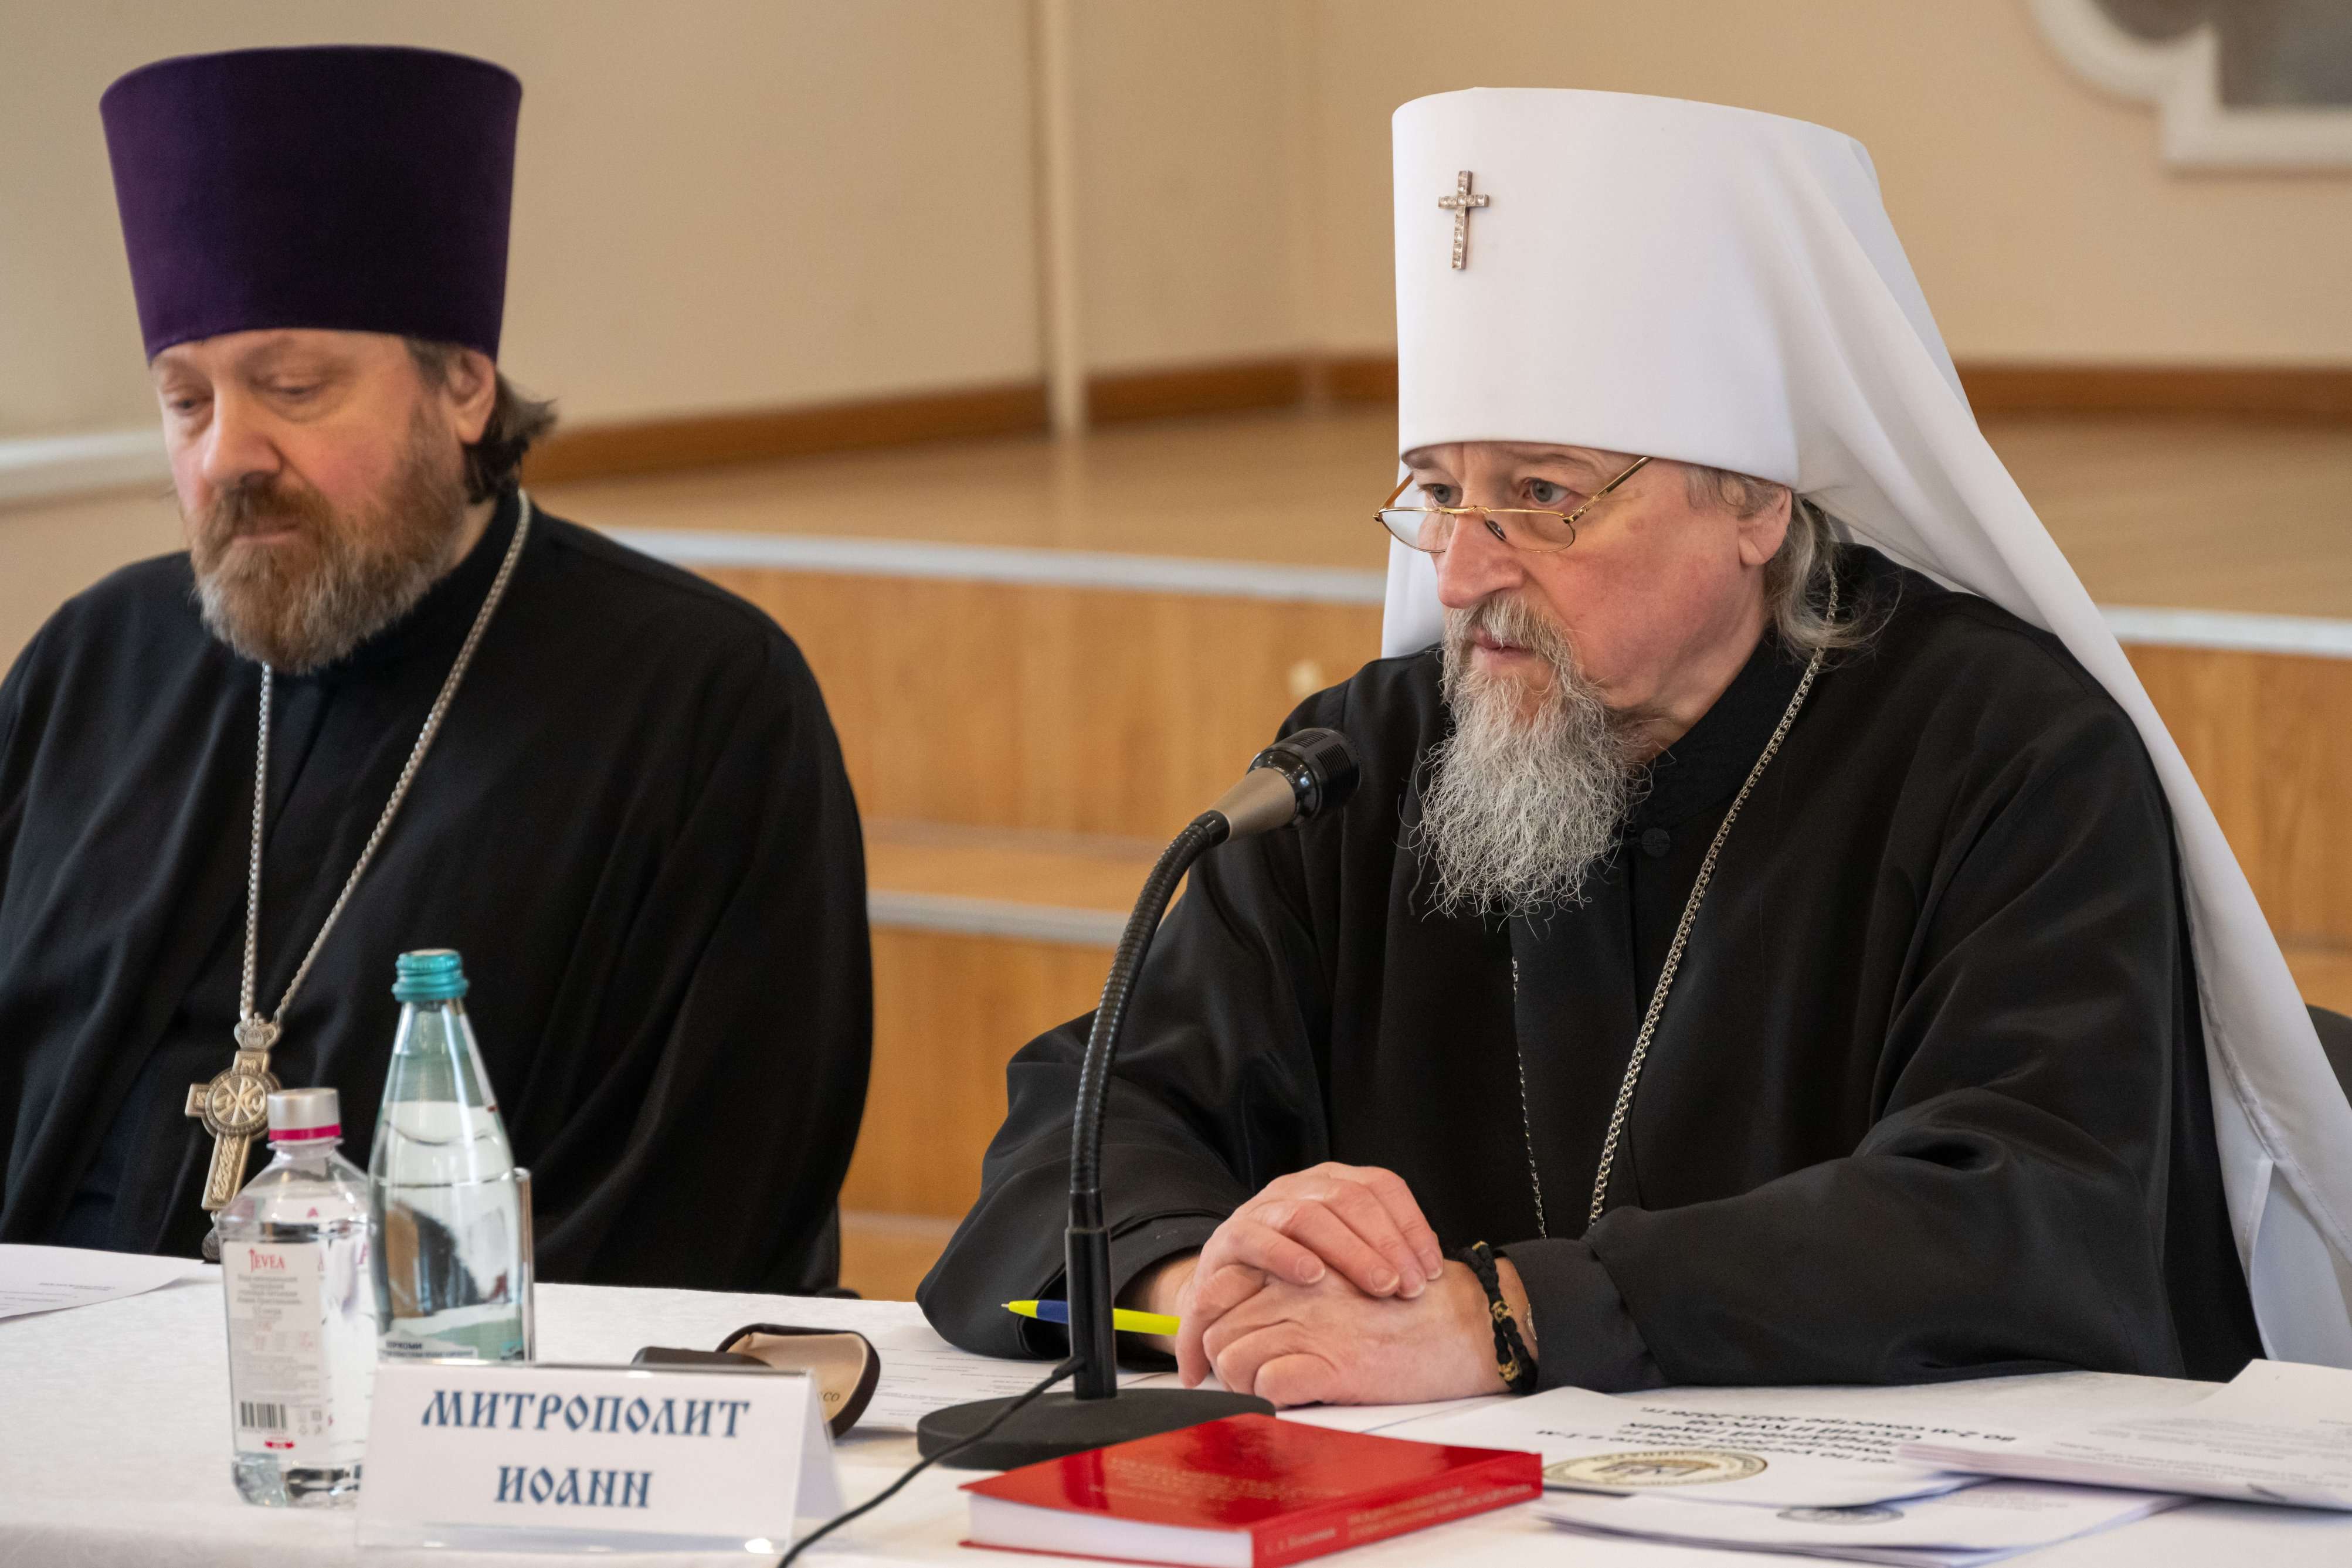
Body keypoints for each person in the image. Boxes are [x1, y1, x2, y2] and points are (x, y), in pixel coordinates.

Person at [920, 89, 2352, 1399]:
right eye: (1438, 491)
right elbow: (1079, 1127)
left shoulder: (2007, 757)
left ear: (1754, 505)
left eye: (1541, 494)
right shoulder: (1361, 762)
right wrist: (1202, 1279)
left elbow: (2014, 1208)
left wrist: (1512, 1314)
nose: (1462, 570)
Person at [0, 46, 870, 1294]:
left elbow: (699, 1211)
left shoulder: (704, 707)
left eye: (292, 386)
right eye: (186, 402)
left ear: (463, 385)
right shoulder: (90, 667)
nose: (229, 453)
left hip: (458, 1399)